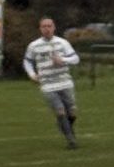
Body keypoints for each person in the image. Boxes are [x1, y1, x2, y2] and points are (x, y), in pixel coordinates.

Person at [23, 18, 81, 149]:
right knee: (60, 111)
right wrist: (32, 74)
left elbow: (76, 58)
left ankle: (64, 126)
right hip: (47, 84)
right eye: (44, 26)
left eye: (49, 26)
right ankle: (71, 140)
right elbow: (27, 61)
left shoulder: (62, 43)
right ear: (40, 29)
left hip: (65, 82)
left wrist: (63, 60)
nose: (46, 29)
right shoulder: (33, 46)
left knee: (72, 112)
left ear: (54, 28)